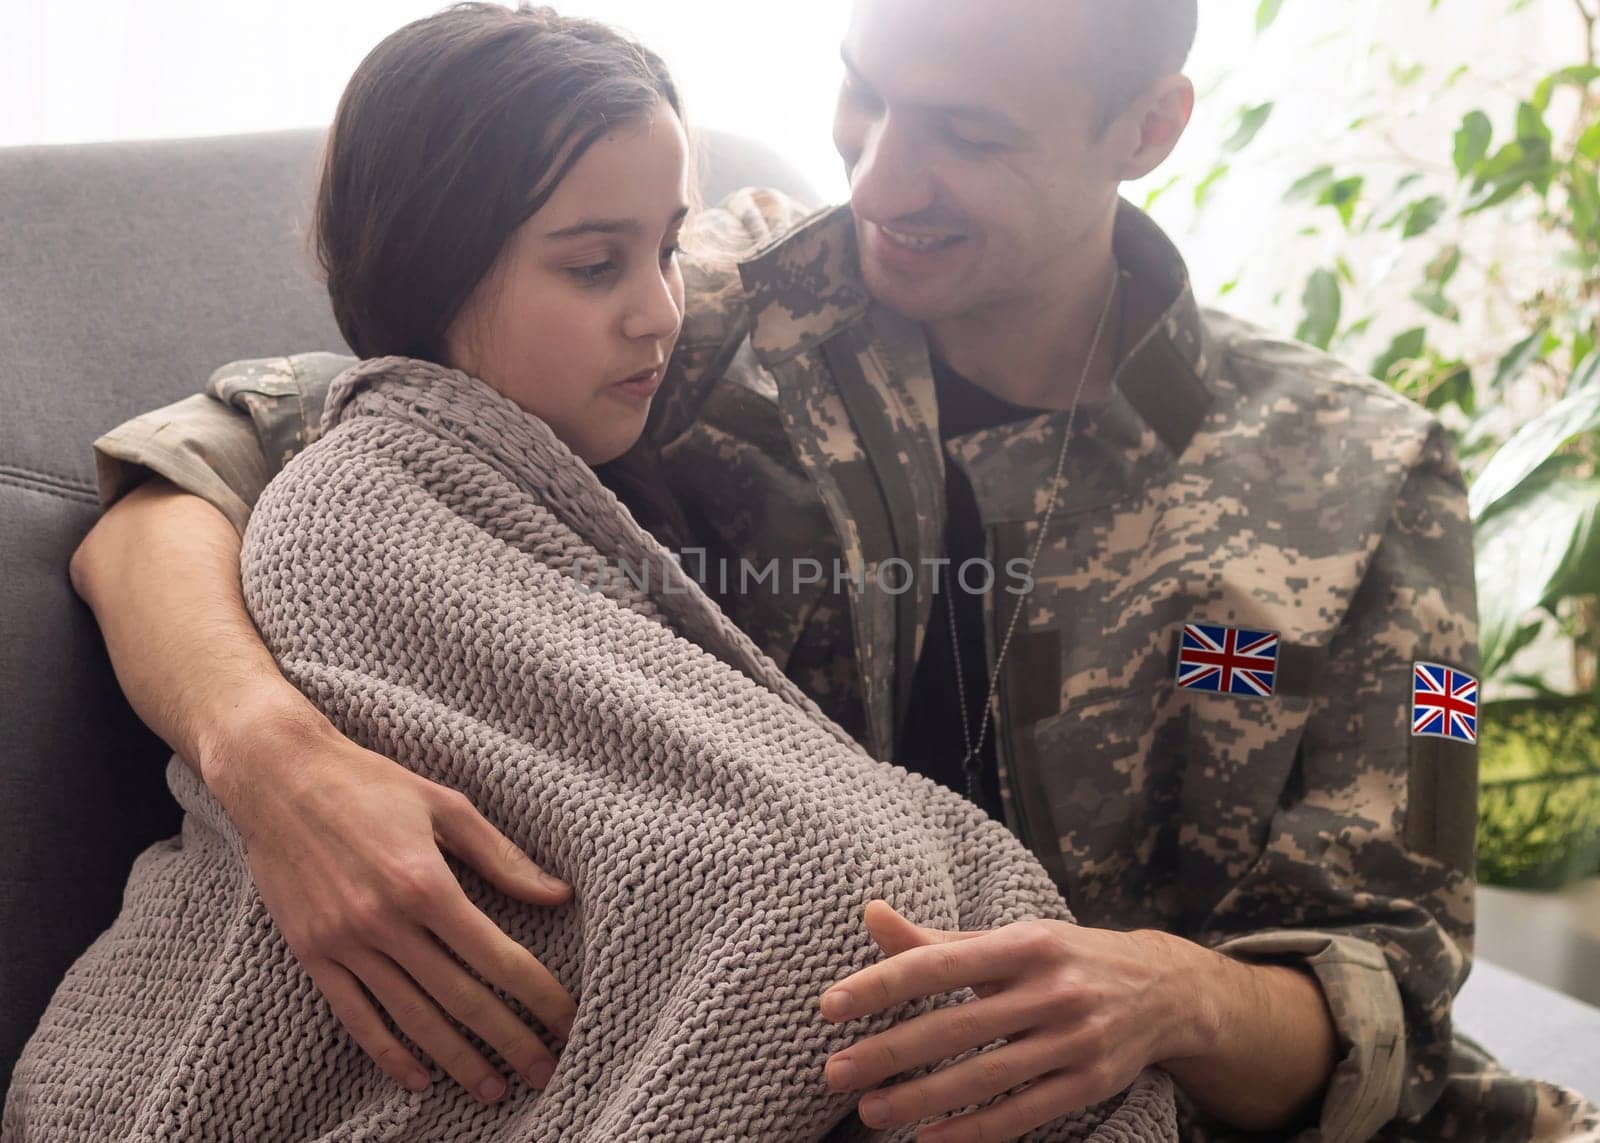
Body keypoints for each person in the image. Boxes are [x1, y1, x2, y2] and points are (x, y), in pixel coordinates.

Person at [62, 1, 1600, 1140]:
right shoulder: (697, 314)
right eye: (864, 99)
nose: (878, 183)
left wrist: (1171, 996)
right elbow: (183, 478)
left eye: (969, 137)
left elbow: (1390, 983)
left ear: (1148, 129)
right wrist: (270, 758)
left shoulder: (1379, 482)